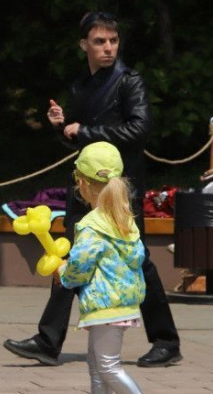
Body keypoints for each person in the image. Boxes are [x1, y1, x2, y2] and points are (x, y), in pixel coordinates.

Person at [4, 11, 182, 367]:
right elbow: (79, 141)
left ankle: (166, 342)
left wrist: (81, 132)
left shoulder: (130, 82)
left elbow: (139, 131)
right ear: (83, 44)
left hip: (120, 189)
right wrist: (61, 127)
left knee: (139, 261)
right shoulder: (81, 85)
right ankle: (48, 340)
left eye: (113, 41)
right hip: (84, 188)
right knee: (68, 254)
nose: (108, 48)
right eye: (100, 41)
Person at [58, 141, 145, 394]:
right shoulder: (123, 218)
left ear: (82, 184)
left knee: (107, 367)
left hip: (104, 306)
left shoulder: (91, 224)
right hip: (123, 303)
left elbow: (79, 266)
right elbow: (137, 256)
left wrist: (63, 273)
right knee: (97, 365)